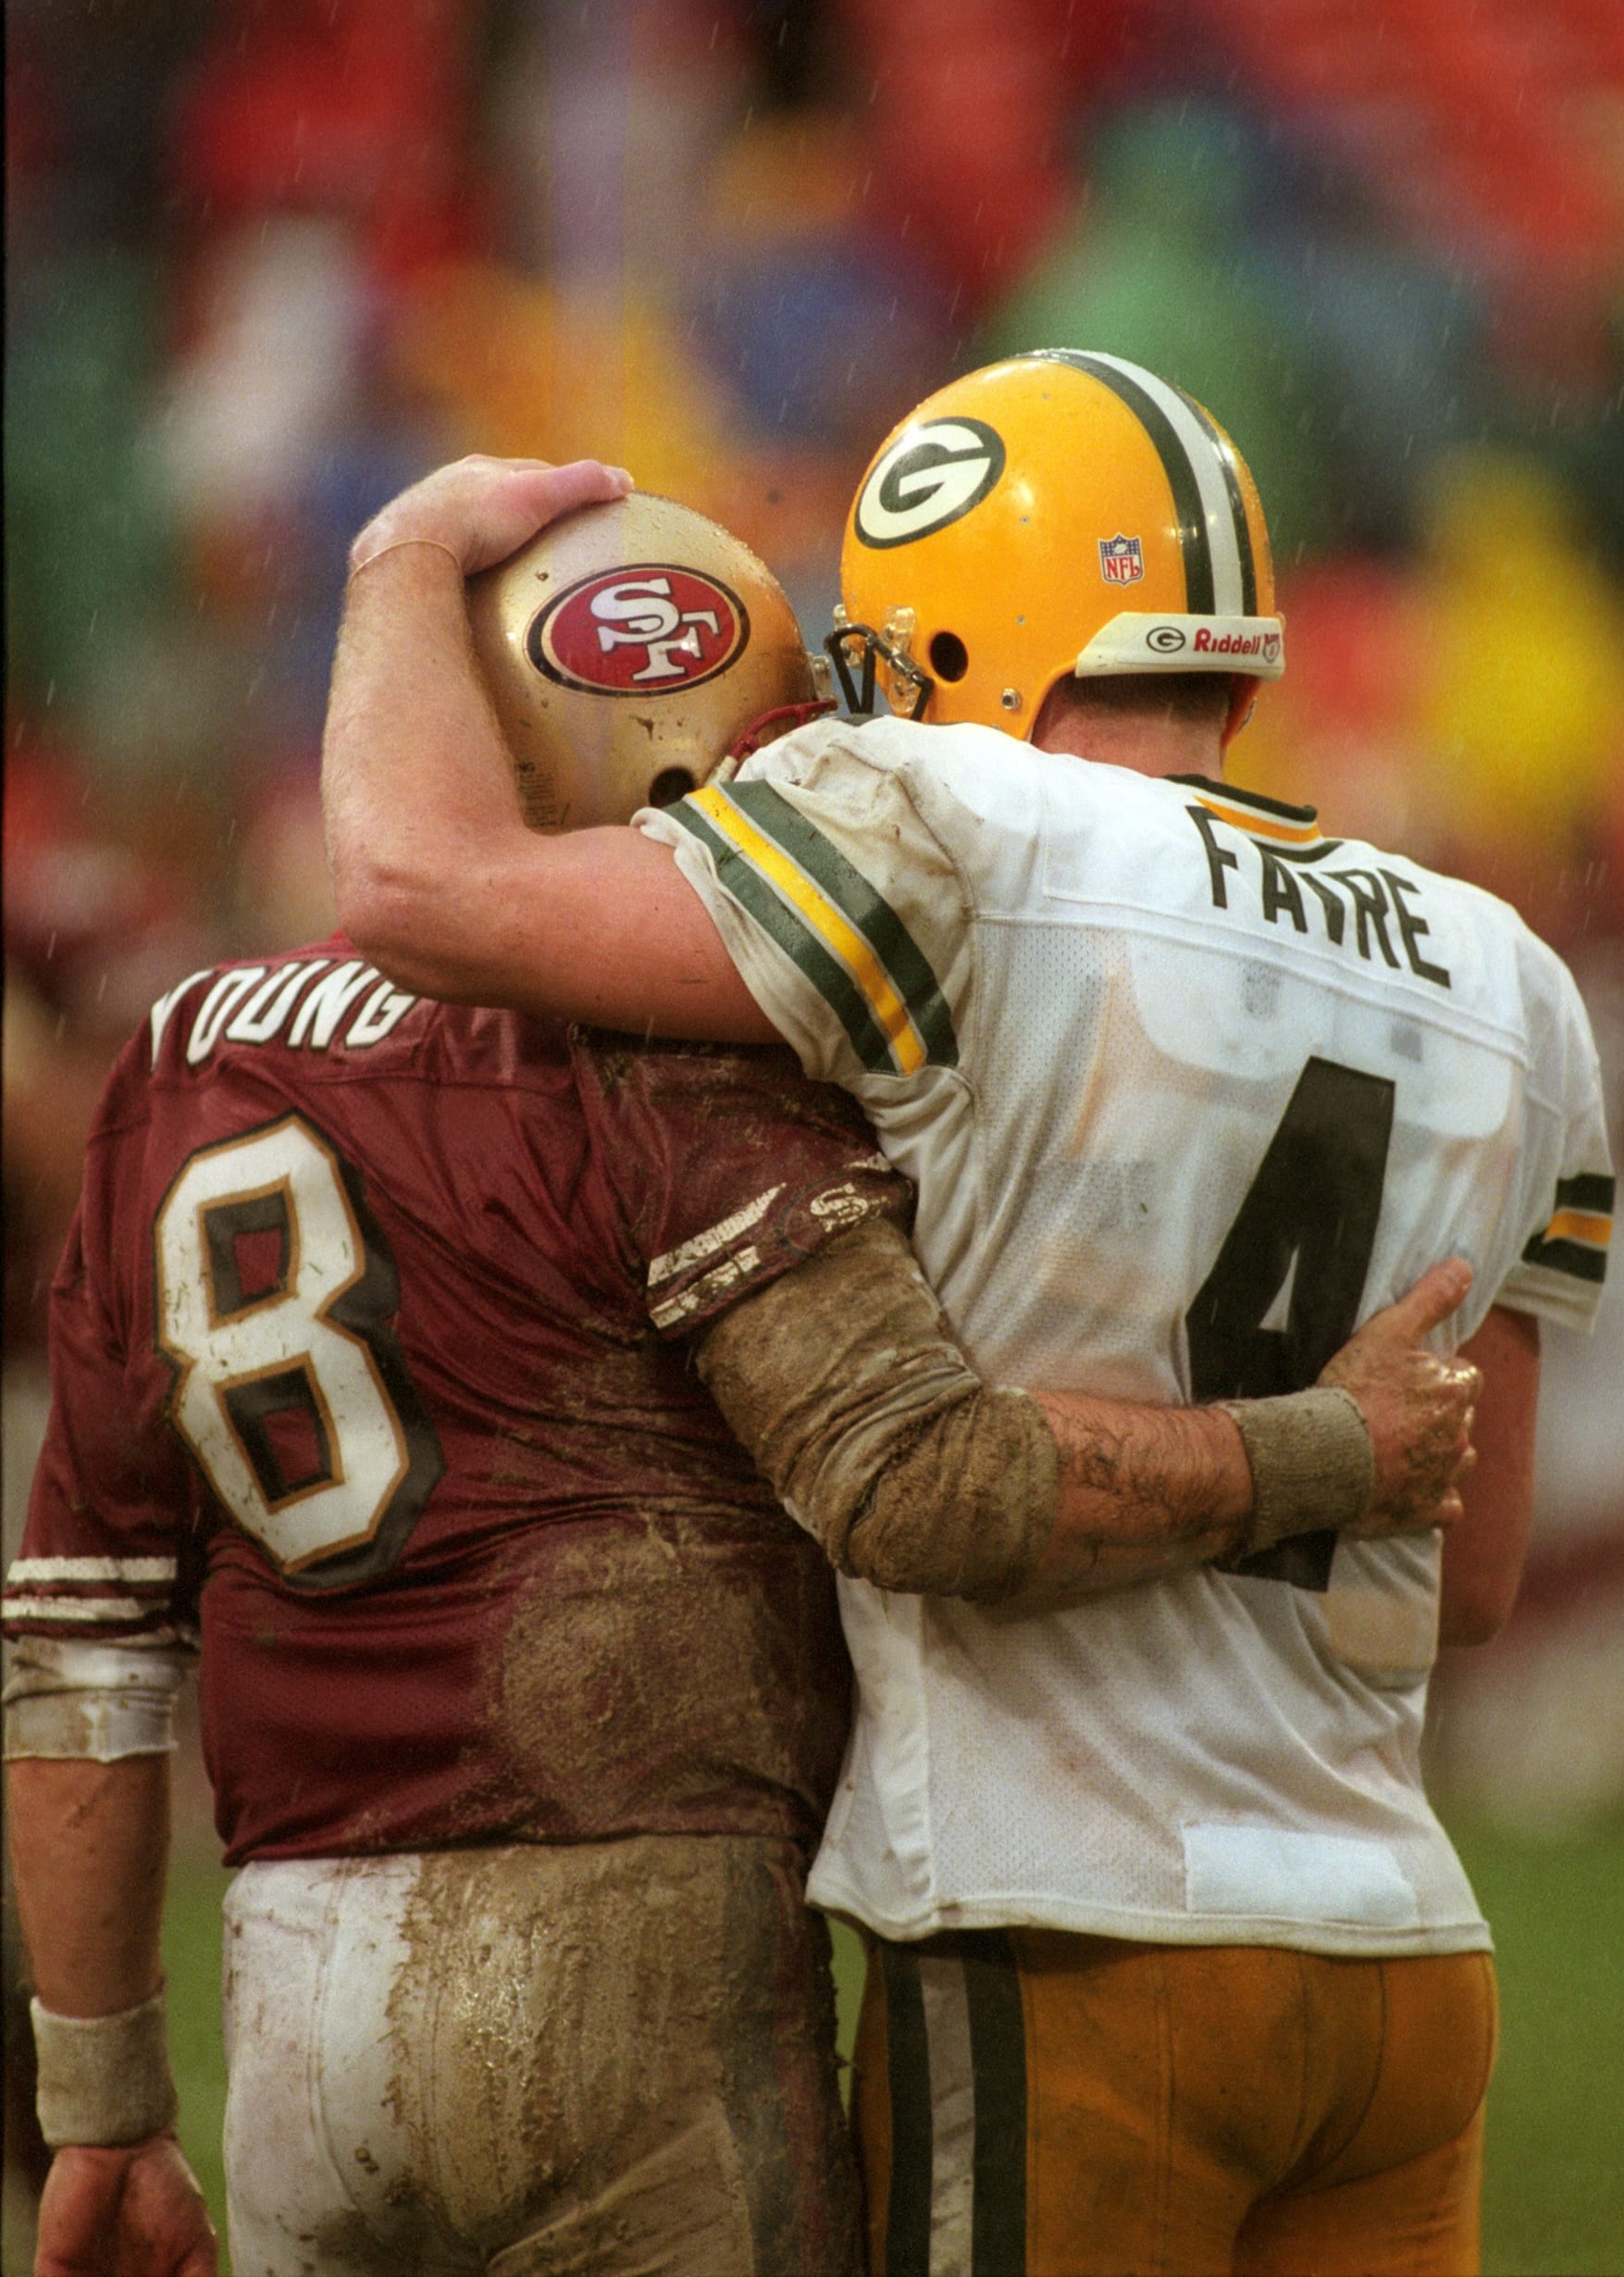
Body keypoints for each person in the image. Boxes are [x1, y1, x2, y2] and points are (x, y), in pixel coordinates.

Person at [4, 469, 1480, 2277]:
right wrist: (1322, 1448)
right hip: (642, 1941)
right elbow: (919, 1480)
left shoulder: (182, 1057)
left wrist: (102, 2101)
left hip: (292, 1996)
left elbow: (80, 1644)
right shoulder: (678, 1047)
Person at [319, 355, 1612, 2277]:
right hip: (1400, 1958)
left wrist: (405, 554)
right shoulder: (1514, 974)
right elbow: (1477, 1572)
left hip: (1068, 1921)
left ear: (943, 631)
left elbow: (414, 881)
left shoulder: (948, 819)